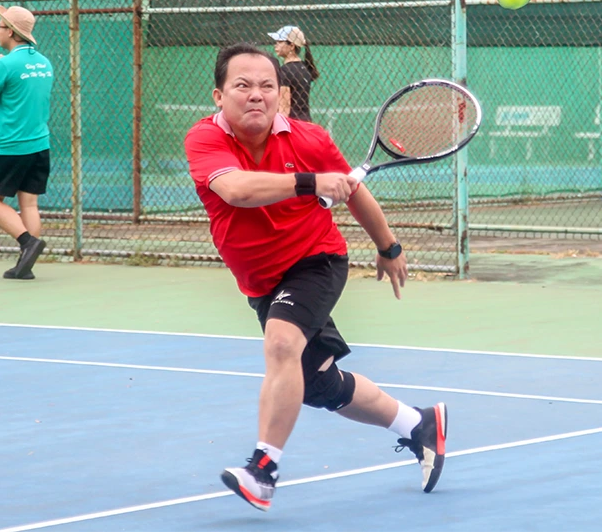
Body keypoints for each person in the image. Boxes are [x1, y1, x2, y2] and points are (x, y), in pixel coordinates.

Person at [184, 43, 446, 513]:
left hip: (315, 260)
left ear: (281, 95)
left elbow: (355, 193)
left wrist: (388, 247)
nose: (256, 95)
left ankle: (263, 470)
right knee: (319, 384)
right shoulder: (205, 139)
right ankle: (417, 424)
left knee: (282, 343)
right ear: (219, 96)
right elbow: (236, 189)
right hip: (261, 281)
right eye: (243, 85)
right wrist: (310, 182)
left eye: (267, 86)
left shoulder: (310, 140)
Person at [0, 5, 52, 280]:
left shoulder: (4, 64)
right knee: (29, 204)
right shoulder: (45, 63)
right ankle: (25, 266)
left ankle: (27, 242)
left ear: (9, 31)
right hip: (40, 145)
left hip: (9, 146)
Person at [268, 25, 319, 122]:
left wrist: (281, 126)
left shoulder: (285, 70)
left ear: (291, 46)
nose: (276, 45)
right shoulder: (305, 67)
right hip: (306, 122)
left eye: (280, 42)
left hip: (292, 123)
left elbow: (284, 107)